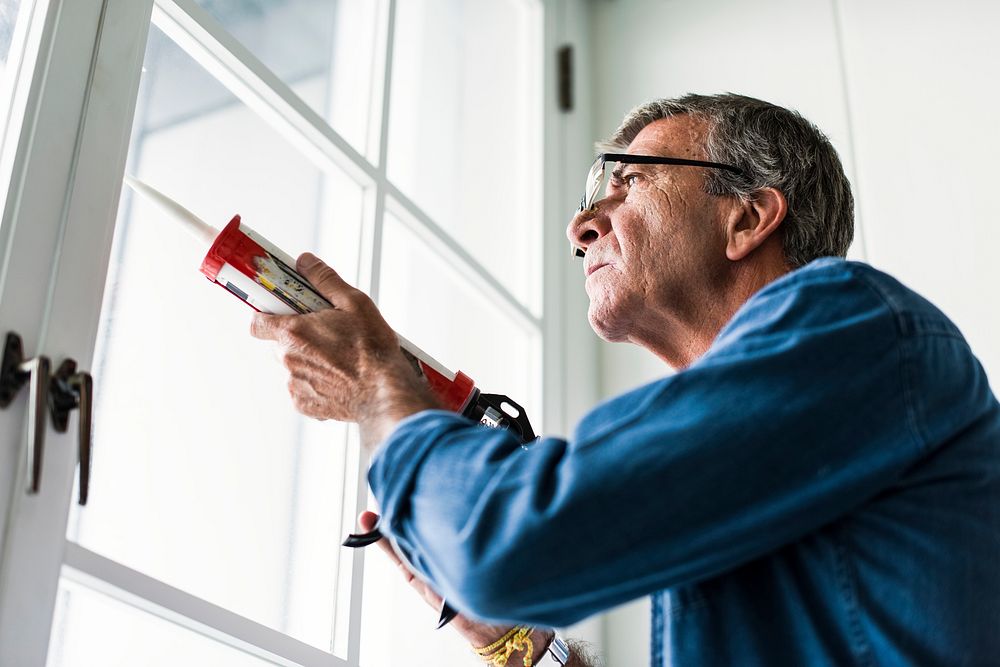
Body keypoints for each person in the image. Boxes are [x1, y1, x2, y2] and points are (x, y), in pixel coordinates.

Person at [250, 93, 1000, 666]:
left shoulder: (851, 322)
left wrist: (379, 382)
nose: (582, 224)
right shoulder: (755, 465)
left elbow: (498, 550)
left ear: (748, 218)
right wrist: (522, 645)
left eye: (630, 180)